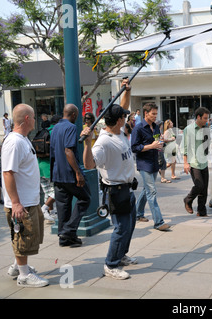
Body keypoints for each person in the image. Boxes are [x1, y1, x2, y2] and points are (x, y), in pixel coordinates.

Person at [82, 80, 137, 280]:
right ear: (119, 120)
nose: (126, 116)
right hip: (115, 190)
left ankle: (121, 255)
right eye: (124, 116)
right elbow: (89, 165)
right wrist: (88, 144)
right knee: (121, 228)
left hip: (128, 188)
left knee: (129, 225)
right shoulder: (104, 142)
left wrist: (127, 90)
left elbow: (123, 107)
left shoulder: (119, 130)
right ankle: (110, 264)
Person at [2, 104, 49, 288]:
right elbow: (8, 173)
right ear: (27, 119)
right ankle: (23, 275)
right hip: (21, 203)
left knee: (27, 237)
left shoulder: (22, 139)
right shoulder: (15, 142)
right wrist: (16, 203)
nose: (36, 120)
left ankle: (17, 266)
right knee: (23, 236)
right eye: (34, 117)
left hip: (29, 200)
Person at [50, 104, 91, 247]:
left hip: (57, 173)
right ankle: (68, 230)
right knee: (85, 198)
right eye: (77, 115)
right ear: (73, 114)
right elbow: (68, 151)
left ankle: (65, 237)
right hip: (69, 173)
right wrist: (78, 173)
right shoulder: (71, 127)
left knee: (63, 206)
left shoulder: (55, 128)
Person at [131, 103, 170, 231]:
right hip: (144, 164)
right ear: (146, 113)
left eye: (156, 114)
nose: (155, 116)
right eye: (153, 114)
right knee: (152, 191)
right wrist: (151, 146)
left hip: (154, 162)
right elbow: (134, 148)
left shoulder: (156, 128)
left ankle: (138, 213)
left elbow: (157, 142)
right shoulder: (138, 128)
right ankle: (159, 222)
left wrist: (160, 143)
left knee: (146, 190)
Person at [183, 107, 210, 217]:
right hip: (193, 162)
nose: (206, 120)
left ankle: (201, 211)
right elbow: (185, 147)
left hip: (204, 162)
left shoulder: (206, 128)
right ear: (198, 117)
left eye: (207, 118)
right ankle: (187, 200)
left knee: (204, 189)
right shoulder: (188, 129)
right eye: (204, 118)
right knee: (199, 185)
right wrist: (185, 163)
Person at [39, 115, 62, 223]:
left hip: (40, 167)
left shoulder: (44, 131)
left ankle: (51, 213)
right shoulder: (56, 132)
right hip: (50, 167)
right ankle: (44, 209)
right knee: (57, 191)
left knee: (47, 192)